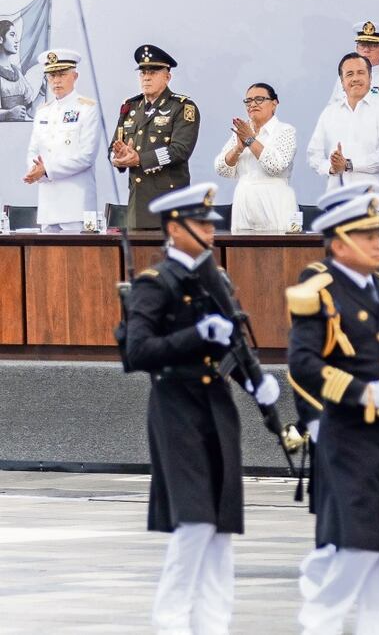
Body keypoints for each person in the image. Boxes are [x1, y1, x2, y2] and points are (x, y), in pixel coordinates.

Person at [123, 183, 281, 633]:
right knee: (193, 524)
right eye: (201, 224)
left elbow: (233, 346)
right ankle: (170, 623)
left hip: (216, 409)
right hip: (176, 410)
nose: (212, 231)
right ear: (174, 229)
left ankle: (214, 625)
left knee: (221, 530)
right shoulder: (155, 285)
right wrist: (196, 337)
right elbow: (138, 353)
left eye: (213, 223)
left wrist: (258, 385)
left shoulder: (216, 280)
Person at [287, 193, 379, 634]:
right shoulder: (321, 294)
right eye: (366, 236)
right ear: (339, 244)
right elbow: (303, 366)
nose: (377, 243)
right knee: (361, 541)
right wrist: (362, 393)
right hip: (349, 434)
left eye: (378, 234)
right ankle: (321, 619)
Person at [109, 45, 201, 230]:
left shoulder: (182, 107)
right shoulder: (130, 108)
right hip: (137, 206)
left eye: (153, 72)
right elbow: (114, 147)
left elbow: (179, 151)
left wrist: (139, 159)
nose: (147, 77)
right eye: (142, 73)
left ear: (167, 77)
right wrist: (118, 158)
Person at [328, 21, 379, 211]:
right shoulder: (343, 79)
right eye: (362, 45)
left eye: (373, 46)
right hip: (346, 165)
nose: (366, 50)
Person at [308, 52, 379, 212]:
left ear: (370, 78)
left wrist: (349, 165)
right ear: (342, 82)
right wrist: (331, 167)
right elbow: (313, 156)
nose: (355, 78)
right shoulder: (329, 113)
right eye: (349, 74)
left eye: (361, 73)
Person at [23, 49, 99, 232]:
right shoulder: (43, 111)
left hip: (76, 205)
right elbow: (33, 150)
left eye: (62, 75)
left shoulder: (87, 108)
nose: (56, 81)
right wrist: (34, 170)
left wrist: (46, 170)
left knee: (77, 258)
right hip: (48, 204)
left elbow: (86, 156)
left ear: (75, 76)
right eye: (51, 76)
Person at [213, 82, 298, 232]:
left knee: (277, 252)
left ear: (274, 103)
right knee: (242, 253)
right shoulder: (241, 131)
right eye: (248, 101)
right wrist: (238, 148)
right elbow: (221, 169)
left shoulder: (285, 131)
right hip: (244, 202)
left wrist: (251, 141)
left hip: (275, 202)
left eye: (259, 99)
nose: (252, 104)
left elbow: (276, 166)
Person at [0, 20, 38, 122]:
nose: (17, 40)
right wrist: (8, 114)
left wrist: (43, 91)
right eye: (12, 35)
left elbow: (31, 111)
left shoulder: (17, 72)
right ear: (0, 39)